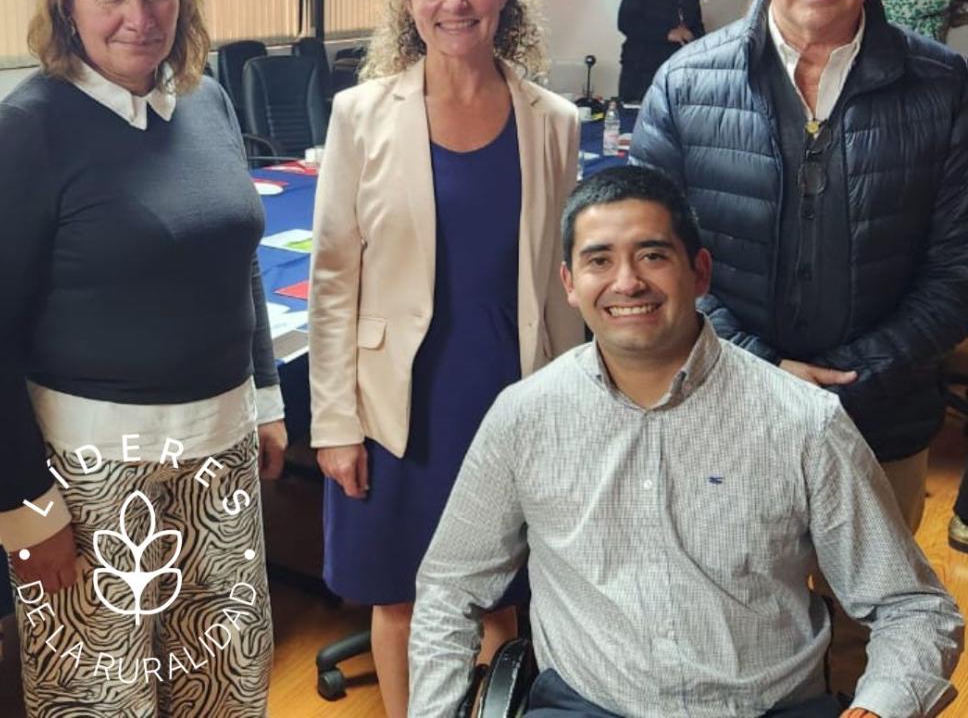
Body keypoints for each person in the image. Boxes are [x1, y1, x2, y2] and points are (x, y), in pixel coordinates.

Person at [409, 166, 963, 718]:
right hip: (589, 706)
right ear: (569, 284)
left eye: (653, 255)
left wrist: (880, 709)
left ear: (699, 272)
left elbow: (912, 608)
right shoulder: (524, 418)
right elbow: (450, 590)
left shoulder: (802, 421)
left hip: (763, 709)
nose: (627, 282)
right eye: (599, 260)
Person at [631, 0, 968, 695]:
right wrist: (760, 370)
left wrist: (857, 375)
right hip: (722, 414)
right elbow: (652, 263)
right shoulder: (685, 83)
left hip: (879, 417)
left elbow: (959, 266)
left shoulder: (945, 87)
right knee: (731, 622)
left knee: (872, 632)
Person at [0, 0, 287, 717]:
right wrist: (22, 507)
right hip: (90, 481)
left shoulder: (207, 101)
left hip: (220, 460)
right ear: (67, 7)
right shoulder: (24, 132)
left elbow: (235, 259)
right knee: (103, 700)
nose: (139, 14)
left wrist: (266, 398)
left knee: (223, 688)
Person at [308, 0, 582, 717]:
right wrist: (334, 422)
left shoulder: (554, 122)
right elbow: (333, 281)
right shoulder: (361, 116)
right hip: (398, 402)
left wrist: (578, 411)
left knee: (499, 599)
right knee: (399, 594)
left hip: (510, 389)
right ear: (407, 0)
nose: (452, 1)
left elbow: (564, 284)